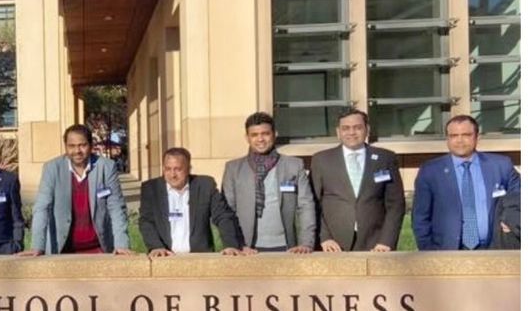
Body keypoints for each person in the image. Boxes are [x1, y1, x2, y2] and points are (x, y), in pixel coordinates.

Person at [412, 114, 521, 250]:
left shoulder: (501, 165)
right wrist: (429, 252)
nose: (460, 141)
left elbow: (519, 198)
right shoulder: (430, 171)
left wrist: (511, 220)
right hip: (447, 250)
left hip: (495, 248)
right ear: (447, 139)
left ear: (477, 137)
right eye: (454, 136)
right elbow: (420, 217)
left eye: (466, 135)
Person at [309, 109, 405, 252]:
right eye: (345, 128)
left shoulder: (386, 158)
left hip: (376, 244)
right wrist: (324, 237)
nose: (351, 133)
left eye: (357, 127)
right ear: (338, 132)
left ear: (367, 129)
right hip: (333, 245)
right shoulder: (321, 160)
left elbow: (396, 204)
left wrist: (386, 241)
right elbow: (312, 204)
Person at [27, 124, 130, 255]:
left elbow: (116, 208)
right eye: (72, 146)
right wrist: (37, 246)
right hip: (61, 250)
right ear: (65, 146)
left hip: (98, 248)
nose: (77, 151)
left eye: (82, 145)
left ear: (91, 145)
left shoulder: (106, 167)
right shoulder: (52, 169)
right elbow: (42, 207)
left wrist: (121, 245)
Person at [221, 112, 316, 254]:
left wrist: (306, 243)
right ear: (247, 138)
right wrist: (236, 245)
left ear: (274, 134)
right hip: (247, 248)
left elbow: (306, 205)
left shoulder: (293, 165)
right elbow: (227, 211)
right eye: (254, 135)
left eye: (265, 133)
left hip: (288, 247)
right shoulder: (233, 168)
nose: (260, 139)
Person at [139, 147, 243, 255]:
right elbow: (146, 221)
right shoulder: (151, 188)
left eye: (178, 169)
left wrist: (231, 245)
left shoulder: (205, 186)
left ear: (188, 168)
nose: (172, 175)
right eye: (168, 169)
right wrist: (156, 246)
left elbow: (223, 216)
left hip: (199, 257)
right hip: (165, 256)